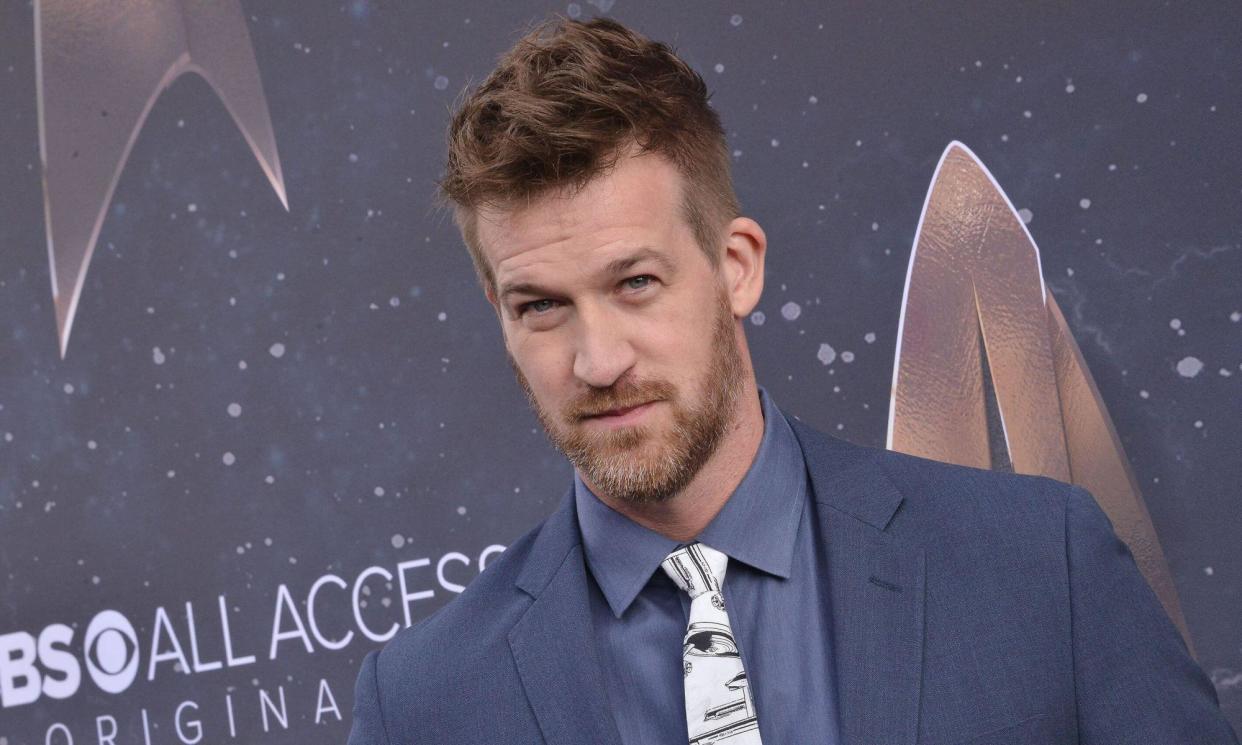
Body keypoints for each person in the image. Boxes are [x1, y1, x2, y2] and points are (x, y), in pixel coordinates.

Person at [347, 16, 1238, 745]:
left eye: (635, 283)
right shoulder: (427, 702)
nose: (598, 361)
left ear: (737, 267)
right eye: (540, 306)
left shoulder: (1041, 568)